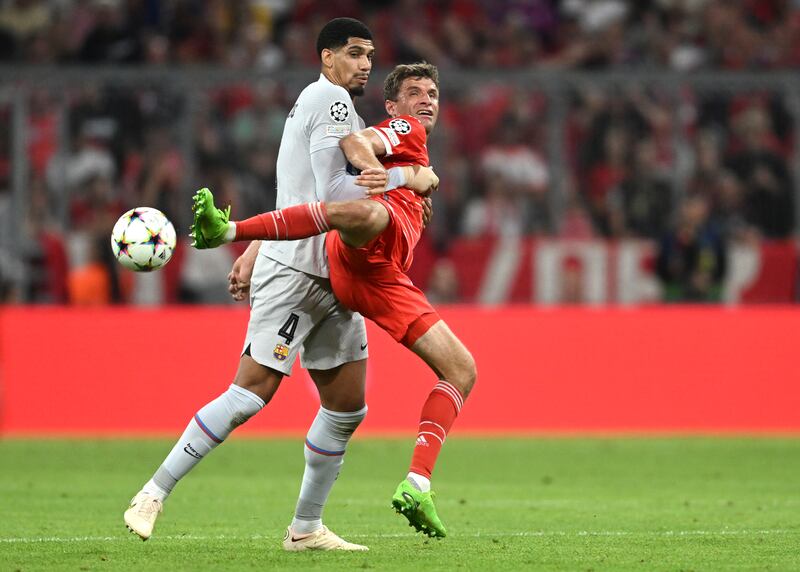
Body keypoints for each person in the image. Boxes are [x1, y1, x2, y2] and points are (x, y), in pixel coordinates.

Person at [124, 17, 426, 552]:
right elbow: (333, 191)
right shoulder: (332, 103)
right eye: (354, 54)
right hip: (296, 274)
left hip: (331, 273)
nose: (364, 64)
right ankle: (152, 492)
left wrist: (256, 244)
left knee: (347, 405)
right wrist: (403, 178)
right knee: (250, 393)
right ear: (326, 57)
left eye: (370, 56)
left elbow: (298, 188)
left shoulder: (331, 106)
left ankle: (305, 529)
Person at [192, 62, 477, 539]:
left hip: (378, 279)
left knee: (461, 370)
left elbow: (309, 187)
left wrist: (259, 251)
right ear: (392, 106)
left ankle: (415, 485)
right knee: (357, 214)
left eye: (433, 92)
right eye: (414, 92)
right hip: (360, 256)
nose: (427, 99)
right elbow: (358, 144)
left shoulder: (413, 146)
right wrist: (398, 177)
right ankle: (231, 228)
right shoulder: (400, 132)